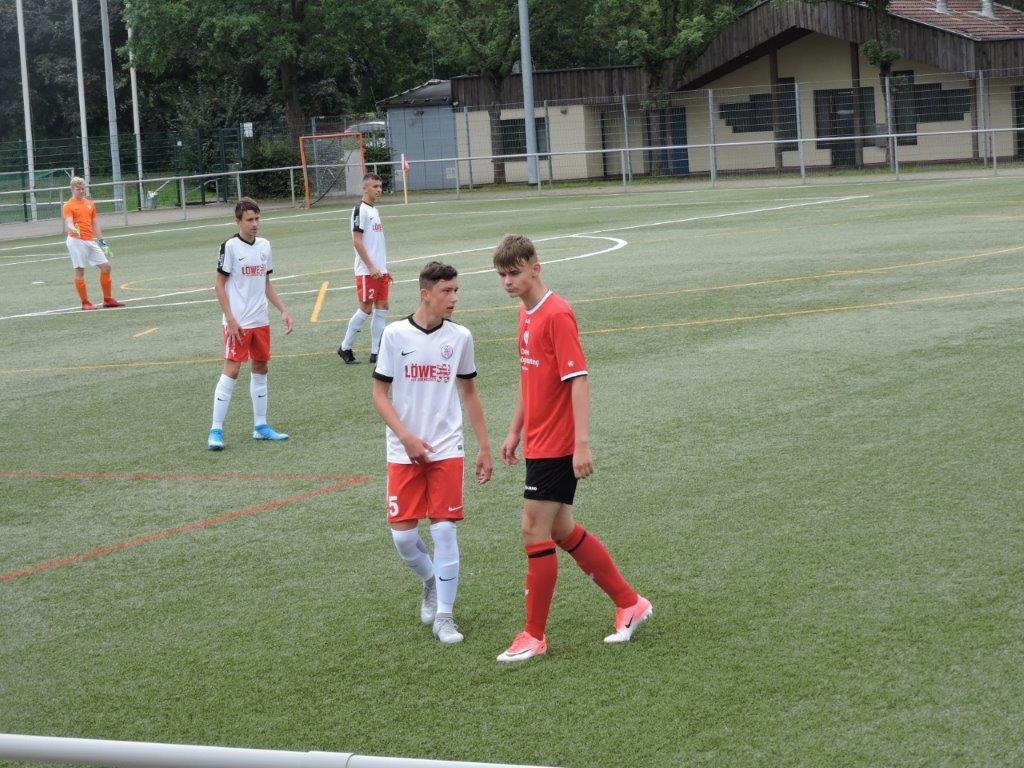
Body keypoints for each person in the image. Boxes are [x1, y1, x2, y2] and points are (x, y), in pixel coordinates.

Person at [491, 234, 652, 663]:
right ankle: (630, 603)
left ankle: (533, 635)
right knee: (560, 529)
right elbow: (529, 379)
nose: (507, 282)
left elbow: (578, 379)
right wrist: (514, 430)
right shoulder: (525, 315)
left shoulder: (557, 314)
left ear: (535, 268)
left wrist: (581, 444)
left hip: (557, 445)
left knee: (533, 529)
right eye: (502, 275)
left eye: (514, 273)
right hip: (537, 440)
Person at [371, 260, 492, 645]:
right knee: (404, 539)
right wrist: (406, 437)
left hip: (446, 447)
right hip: (403, 450)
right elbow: (379, 395)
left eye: (456, 290)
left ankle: (445, 616)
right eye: (446, 291)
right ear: (426, 294)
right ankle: (430, 579)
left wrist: (484, 446)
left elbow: (469, 393)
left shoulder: (461, 337)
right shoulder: (394, 335)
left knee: (443, 530)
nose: (454, 298)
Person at [207, 197, 294, 451]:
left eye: (257, 219)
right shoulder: (230, 247)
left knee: (261, 367)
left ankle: (261, 426)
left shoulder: (265, 246)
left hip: (260, 320)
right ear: (238, 221)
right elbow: (219, 285)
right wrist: (230, 319)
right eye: (249, 220)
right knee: (232, 370)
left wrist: (283, 310)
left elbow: (265, 282)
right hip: (238, 323)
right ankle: (215, 429)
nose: (255, 224)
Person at [338, 172, 390, 365]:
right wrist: (371, 266)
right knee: (366, 309)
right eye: (375, 186)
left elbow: (375, 243)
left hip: (379, 270)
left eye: (380, 186)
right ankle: (345, 347)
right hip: (367, 271)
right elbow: (357, 241)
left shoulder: (374, 210)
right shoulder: (360, 210)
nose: (379, 190)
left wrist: (382, 268)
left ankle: (376, 351)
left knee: (382, 306)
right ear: (365, 188)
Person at [62, 176, 125, 310]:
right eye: (78, 189)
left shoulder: (90, 204)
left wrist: (102, 242)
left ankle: (107, 300)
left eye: (83, 189)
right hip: (76, 241)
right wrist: (73, 228)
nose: (81, 191)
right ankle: (85, 302)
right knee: (80, 271)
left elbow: (95, 223)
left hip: (89, 240)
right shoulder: (68, 205)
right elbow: (69, 221)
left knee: (106, 267)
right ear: (72, 189)